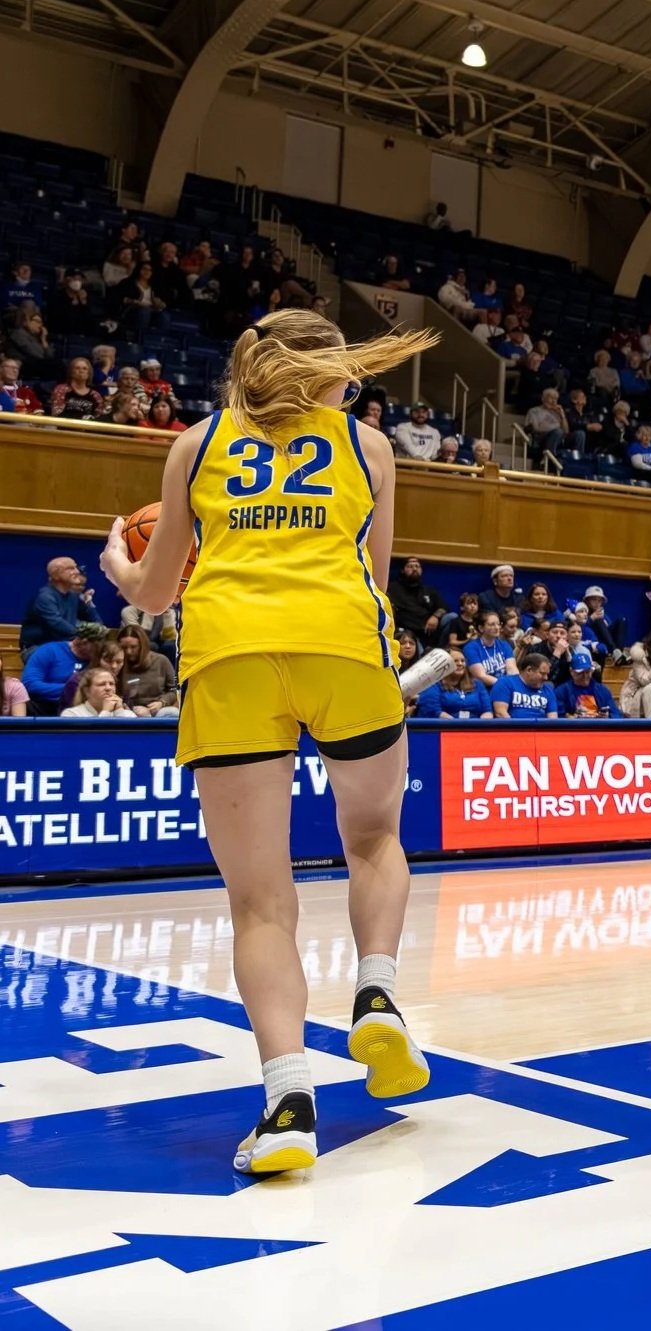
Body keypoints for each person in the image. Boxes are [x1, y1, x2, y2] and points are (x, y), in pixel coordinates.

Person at [99, 308, 438, 1175]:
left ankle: (288, 1100)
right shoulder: (369, 447)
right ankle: (379, 993)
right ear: (328, 375)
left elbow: (155, 585)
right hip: (343, 644)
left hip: (230, 653)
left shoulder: (195, 443)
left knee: (260, 902)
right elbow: (378, 559)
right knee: (373, 839)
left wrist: (117, 565)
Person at [113, 623, 180, 716]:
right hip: (130, 710)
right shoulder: (118, 663)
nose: (128, 651)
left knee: (171, 712)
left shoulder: (161, 660)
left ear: (142, 645)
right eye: (124, 647)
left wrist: (162, 702)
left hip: (158, 708)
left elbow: (175, 688)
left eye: (133, 647)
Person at [60, 665, 133, 717]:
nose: (108, 688)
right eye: (101, 684)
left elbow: (129, 738)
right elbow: (94, 738)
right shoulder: (71, 714)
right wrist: (106, 712)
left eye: (111, 684)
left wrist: (119, 712)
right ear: (87, 691)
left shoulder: (128, 714)